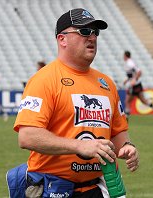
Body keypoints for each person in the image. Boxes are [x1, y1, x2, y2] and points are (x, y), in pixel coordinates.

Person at [12, 8, 139, 197]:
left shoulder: (106, 83)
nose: (92, 37)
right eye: (84, 31)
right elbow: (27, 136)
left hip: (97, 188)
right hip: (53, 188)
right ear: (62, 39)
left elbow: (118, 131)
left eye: (95, 32)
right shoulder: (44, 79)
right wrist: (79, 146)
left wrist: (128, 147)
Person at [123, 50, 153, 120]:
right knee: (143, 101)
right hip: (137, 84)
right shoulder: (129, 63)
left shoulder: (130, 63)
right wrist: (127, 80)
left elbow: (139, 72)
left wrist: (134, 80)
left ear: (125, 56)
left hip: (134, 85)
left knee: (127, 101)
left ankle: (126, 118)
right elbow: (132, 75)